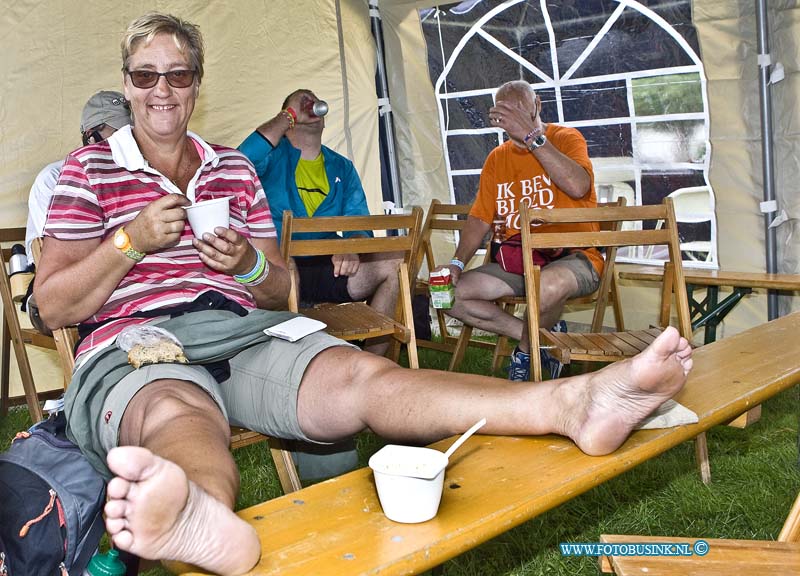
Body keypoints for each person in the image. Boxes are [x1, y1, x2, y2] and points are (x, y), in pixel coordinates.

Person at [34, 13, 693, 576]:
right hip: (139, 342)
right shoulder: (85, 171)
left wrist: (243, 266)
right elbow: (53, 306)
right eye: (145, 76)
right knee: (178, 408)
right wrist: (129, 243)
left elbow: (282, 288)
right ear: (127, 82)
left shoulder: (231, 168)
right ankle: (199, 517)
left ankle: (572, 400)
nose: (161, 91)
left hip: (241, 327)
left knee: (365, 373)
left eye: (177, 75)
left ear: (196, 84)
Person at [434, 80, 600, 382]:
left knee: (545, 286)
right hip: (519, 260)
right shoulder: (497, 158)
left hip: (576, 257)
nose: (512, 118)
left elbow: (578, 186)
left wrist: (532, 137)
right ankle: (545, 339)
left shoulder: (566, 138)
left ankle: (525, 356)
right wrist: (457, 264)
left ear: (537, 105)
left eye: (519, 110)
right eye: (505, 112)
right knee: (445, 296)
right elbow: (480, 219)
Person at [238, 89, 400, 358]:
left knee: (391, 264)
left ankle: (373, 364)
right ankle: (291, 361)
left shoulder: (342, 167)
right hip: (279, 268)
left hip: (328, 267)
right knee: (286, 265)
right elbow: (240, 158)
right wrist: (289, 115)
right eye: (302, 102)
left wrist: (351, 245)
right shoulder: (269, 160)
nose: (310, 106)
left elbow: (358, 221)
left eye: (313, 101)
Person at [25, 91, 132, 265]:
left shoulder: (136, 174)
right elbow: (62, 258)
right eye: (120, 134)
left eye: (133, 133)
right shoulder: (53, 179)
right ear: (91, 136)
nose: (130, 141)